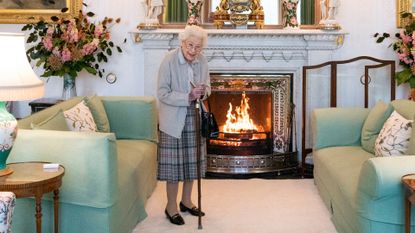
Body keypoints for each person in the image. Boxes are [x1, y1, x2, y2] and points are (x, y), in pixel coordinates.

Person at [157, 25, 210, 226]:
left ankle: (186, 201)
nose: (193, 51)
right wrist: (187, 96)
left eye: (198, 47)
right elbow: (162, 93)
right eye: (190, 45)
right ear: (182, 43)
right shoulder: (169, 60)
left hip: (195, 115)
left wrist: (203, 91)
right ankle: (171, 206)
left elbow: (209, 88)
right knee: (174, 167)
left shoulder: (202, 61)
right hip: (173, 119)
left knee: (191, 163)